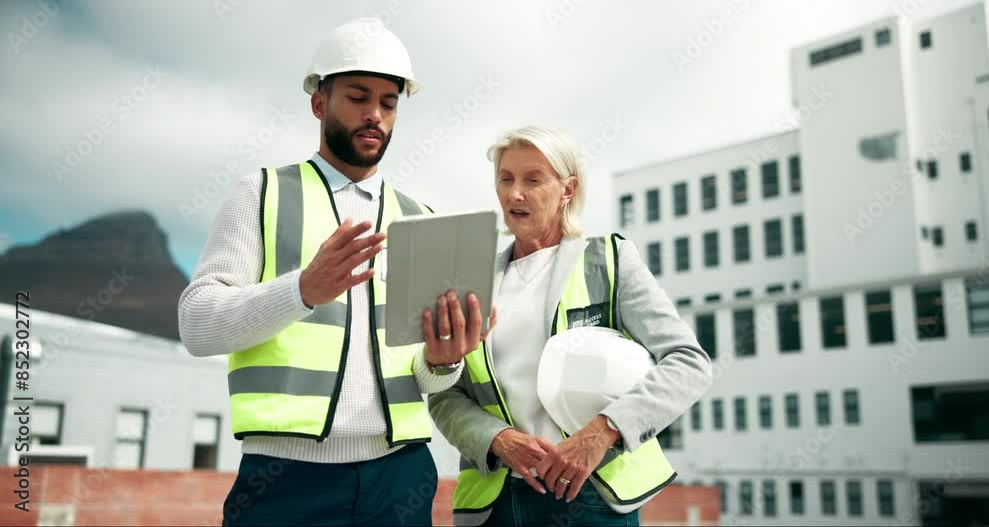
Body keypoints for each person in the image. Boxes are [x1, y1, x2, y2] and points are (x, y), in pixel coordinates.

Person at [178, 18, 492, 526]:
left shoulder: (422, 218)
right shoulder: (260, 193)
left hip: (401, 477)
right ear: (319, 103)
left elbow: (429, 383)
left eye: (389, 103)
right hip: (284, 479)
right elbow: (196, 327)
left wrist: (442, 362)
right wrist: (301, 290)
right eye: (358, 97)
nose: (375, 115)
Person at [429, 125, 713, 526]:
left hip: (592, 498)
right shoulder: (470, 280)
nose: (515, 193)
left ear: (567, 189)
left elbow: (688, 362)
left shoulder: (608, 261)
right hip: (495, 505)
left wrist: (603, 431)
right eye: (505, 178)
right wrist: (496, 439)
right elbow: (445, 394)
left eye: (533, 179)